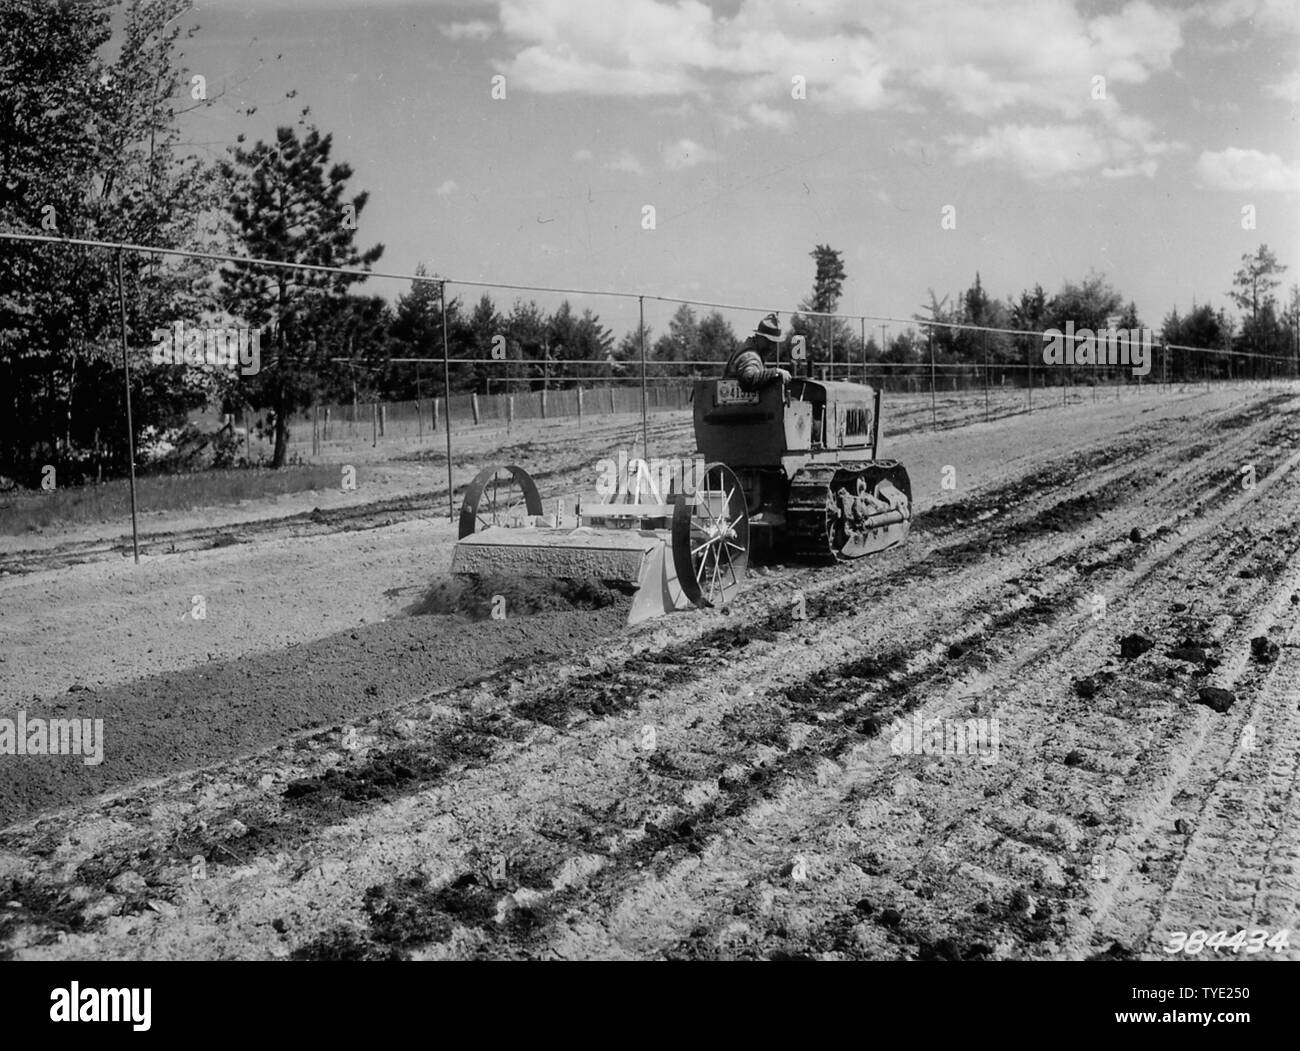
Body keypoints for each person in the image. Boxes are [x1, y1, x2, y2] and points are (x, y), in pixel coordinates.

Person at [723, 312, 792, 392]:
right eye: (769, 341)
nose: (772, 346)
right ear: (760, 337)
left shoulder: (749, 347)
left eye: (774, 343)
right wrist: (775, 372)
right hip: (737, 403)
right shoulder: (750, 355)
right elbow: (749, 378)